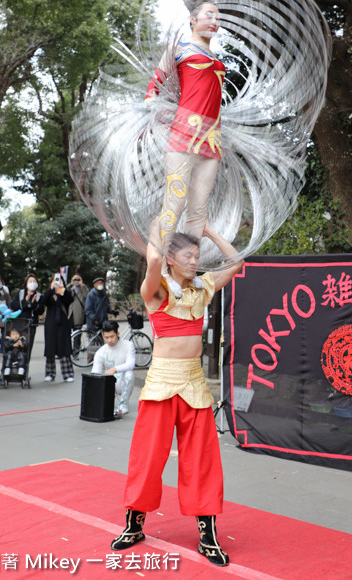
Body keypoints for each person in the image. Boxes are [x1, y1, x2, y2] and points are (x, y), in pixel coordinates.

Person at [111, 222, 244, 567]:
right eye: (189, 255)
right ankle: (134, 524)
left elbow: (236, 262)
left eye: (198, 256)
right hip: (160, 384)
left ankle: (207, 534)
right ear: (171, 258)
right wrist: (163, 223)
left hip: (194, 385)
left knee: (202, 461)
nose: (195, 261)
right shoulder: (157, 291)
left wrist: (211, 233)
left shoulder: (203, 288)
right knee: (148, 456)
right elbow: (153, 263)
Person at [146, 0, 225, 298]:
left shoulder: (214, 55)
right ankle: (164, 272)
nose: (214, 21)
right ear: (193, 19)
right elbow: (154, 85)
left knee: (197, 213)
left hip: (212, 140)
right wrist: (151, 115)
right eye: (209, 15)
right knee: (174, 205)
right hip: (182, 135)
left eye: (218, 17)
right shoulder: (179, 47)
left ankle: (187, 275)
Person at [91, 320, 136, 417]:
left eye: (112, 336)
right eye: (106, 337)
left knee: (129, 374)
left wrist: (115, 369)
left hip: (121, 380)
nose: (109, 340)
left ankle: (123, 404)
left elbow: (131, 364)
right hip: (108, 383)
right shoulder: (101, 352)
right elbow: (95, 374)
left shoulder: (128, 345)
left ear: (118, 334)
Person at [42, 273, 74, 383]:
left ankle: (68, 374)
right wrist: (51, 289)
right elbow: (44, 301)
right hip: (51, 324)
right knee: (50, 349)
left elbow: (70, 300)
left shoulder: (64, 292)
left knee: (64, 349)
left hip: (63, 324)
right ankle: (50, 373)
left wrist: (63, 290)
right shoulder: (49, 293)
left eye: (60, 280)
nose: (57, 282)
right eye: (55, 280)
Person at [11, 273, 45, 351]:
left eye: (34, 281)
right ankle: (18, 362)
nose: (32, 283)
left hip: (31, 324)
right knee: (18, 345)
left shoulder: (39, 296)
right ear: (26, 283)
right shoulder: (20, 293)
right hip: (20, 323)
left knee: (28, 346)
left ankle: (26, 362)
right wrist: (25, 301)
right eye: (30, 281)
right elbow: (13, 306)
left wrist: (34, 304)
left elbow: (41, 311)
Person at [67, 273, 89, 348]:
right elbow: (64, 293)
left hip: (79, 314)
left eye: (78, 279)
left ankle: (76, 352)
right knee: (67, 335)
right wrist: (70, 284)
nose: (76, 281)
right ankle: (68, 352)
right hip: (69, 314)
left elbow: (87, 296)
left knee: (77, 335)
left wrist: (82, 285)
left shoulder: (83, 288)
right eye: (74, 279)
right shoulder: (70, 288)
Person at [0, 276, 11, 358]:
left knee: (4, 333)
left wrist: (9, 312)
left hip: (4, 314)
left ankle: (2, 350)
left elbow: (9, 303)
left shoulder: (5, 292)